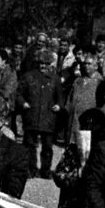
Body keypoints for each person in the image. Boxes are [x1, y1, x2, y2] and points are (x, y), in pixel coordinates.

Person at [17, 48, 61, 178]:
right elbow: (19, 93)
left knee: (47, 147)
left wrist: (58, 105)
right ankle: (31, 169)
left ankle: (45, 170)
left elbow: (60, 97)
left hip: (48, 117)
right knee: (29, 145)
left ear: (51, 64)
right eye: (41, 63)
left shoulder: (55, 79)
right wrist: (23, 103)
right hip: (32, 115)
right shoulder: (29, 76)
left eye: (46, 64)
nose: (43, 66)